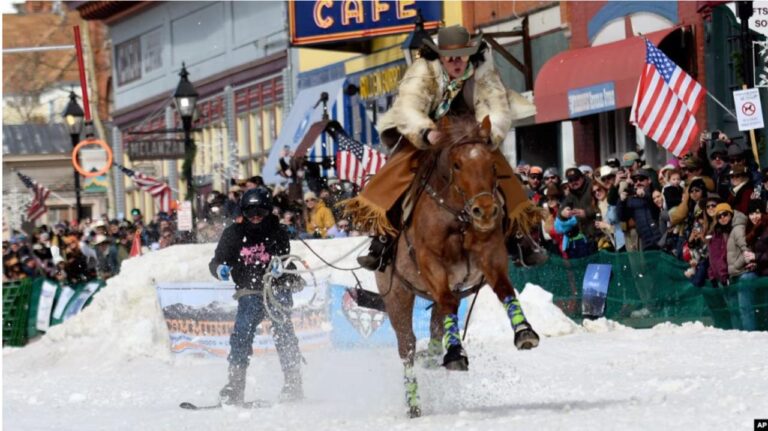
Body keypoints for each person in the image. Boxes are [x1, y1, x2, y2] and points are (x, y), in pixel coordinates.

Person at [344, 25, 538, 270]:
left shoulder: (484, 71)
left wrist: (488, 134)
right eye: (451, 58)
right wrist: (426, 132)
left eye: (462, 55)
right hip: (429, 131)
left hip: (470, 132)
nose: (457, 62)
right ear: (441, 57)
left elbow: (496, 105)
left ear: (470, 54)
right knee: (396, 172)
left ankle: (519, 238)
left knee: (501, 172)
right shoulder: (422, 70)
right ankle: (383, 239)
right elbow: (409, 108)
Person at [209, 188, 304, 405]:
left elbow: (284, 255)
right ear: (243, 212)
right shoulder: (233, 234)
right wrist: (220, 269)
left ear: (268, 211)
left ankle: (293, 382)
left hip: (275, 287)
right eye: (250, 212)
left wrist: (282, 265)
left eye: (260, 212)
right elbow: (216, 262)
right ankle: (235, 385)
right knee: (242, 333)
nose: (255, 217)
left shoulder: (277, 231)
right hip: (249, 289)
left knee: (284, 332)